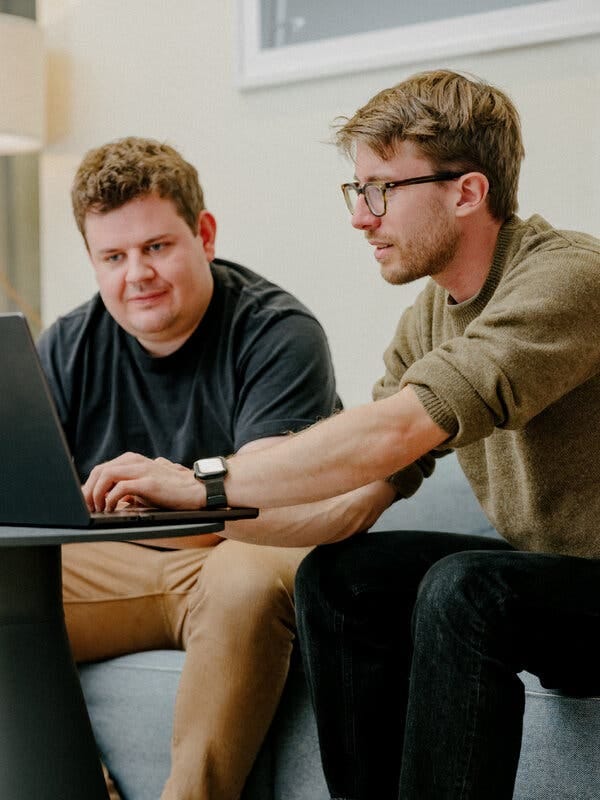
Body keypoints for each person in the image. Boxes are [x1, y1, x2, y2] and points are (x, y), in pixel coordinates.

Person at [77, 70, 600, 800]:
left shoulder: (569, 278)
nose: (361, 217)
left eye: (382, 190)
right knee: (340, 577)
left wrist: (202, 476)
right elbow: (352, 496)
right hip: (564, 587)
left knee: (466, 591)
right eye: (357, 192)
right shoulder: (428, 317)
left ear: (467, 192)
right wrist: (194, 510)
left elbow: (394, 430)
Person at [36, 135, 360, 800]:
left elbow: (266, 506)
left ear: (203, 234)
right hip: (129, 565)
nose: (137, 275)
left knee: (243, 578)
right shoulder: (67, 345)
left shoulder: (279, 333)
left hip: (247, 555)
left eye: (157, 247)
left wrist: (157, 502)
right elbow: (36, 509)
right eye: (114, 256)